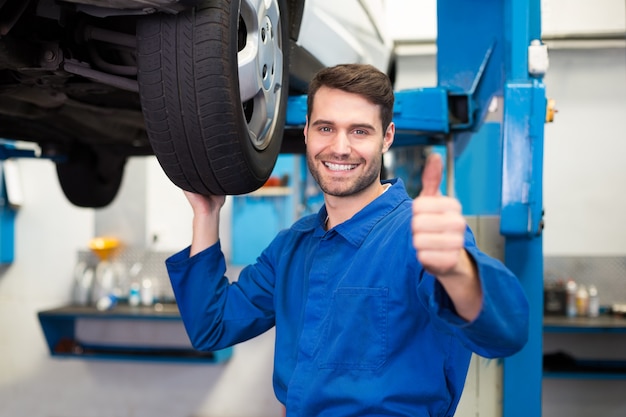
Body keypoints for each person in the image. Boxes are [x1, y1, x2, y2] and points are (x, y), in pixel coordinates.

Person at [166, 63, 529, 417]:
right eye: (326, 128)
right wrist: (206, 215)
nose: (340, 148)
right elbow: (211, 326)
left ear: (386, 137)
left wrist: (457, 270)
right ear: (306, 131)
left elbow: (505, 335)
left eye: (359, 131)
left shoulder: (415, 235)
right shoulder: (292, 247)